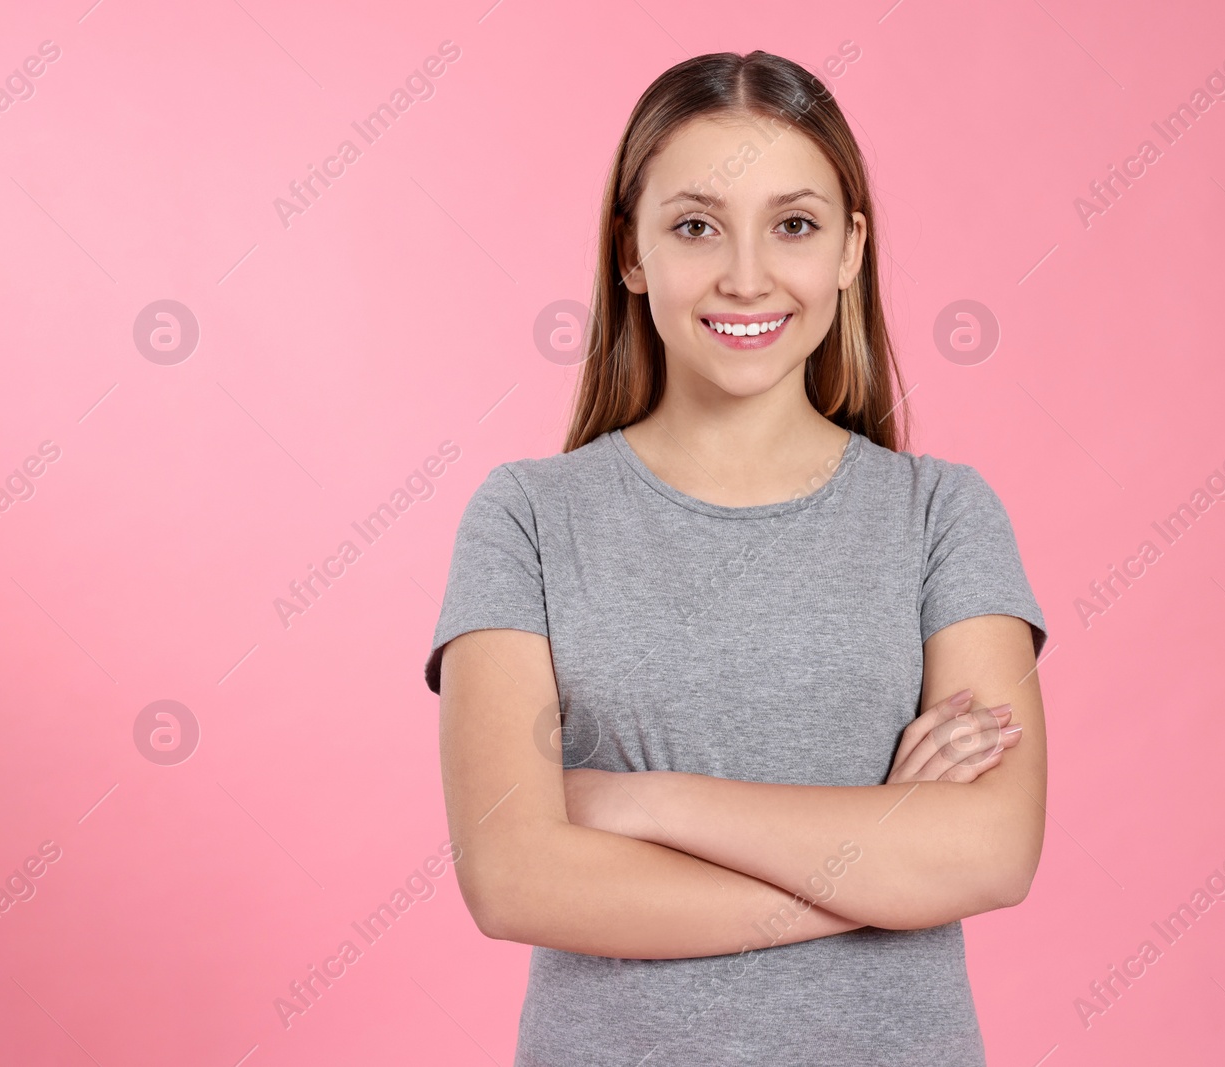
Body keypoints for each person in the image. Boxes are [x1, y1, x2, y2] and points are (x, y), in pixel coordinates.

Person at [424, 49, 1049, 1067]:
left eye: (793, 224)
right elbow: (513, 877)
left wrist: (641, 799)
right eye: (695, 225)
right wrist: (874, 868)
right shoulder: (527, 519)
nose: (747, 274)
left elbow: (989, 851)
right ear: (631, 252)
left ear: (849, 249)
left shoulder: (942, 516)